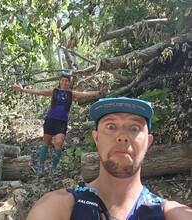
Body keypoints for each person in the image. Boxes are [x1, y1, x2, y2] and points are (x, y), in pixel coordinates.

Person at [26, 97, 192, 220]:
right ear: (96, 138)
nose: (122, 136)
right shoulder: (57, 208)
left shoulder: (172, 214)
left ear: (148, 142)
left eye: (134, 128)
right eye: (111, 126)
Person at [13, 72, 107, 174]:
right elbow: (38, 92)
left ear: (69, 83)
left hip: (62, 122)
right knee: (46, 143)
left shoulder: (71, 94)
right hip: (50, 120)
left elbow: (84, 94)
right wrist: (22, 90)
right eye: (62, 80)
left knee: (58, 143)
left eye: (66, 81)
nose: (64, 82)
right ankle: (41, 166)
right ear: (59, 81)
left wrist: (99, 92)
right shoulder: (54, 91)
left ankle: (53, 168)